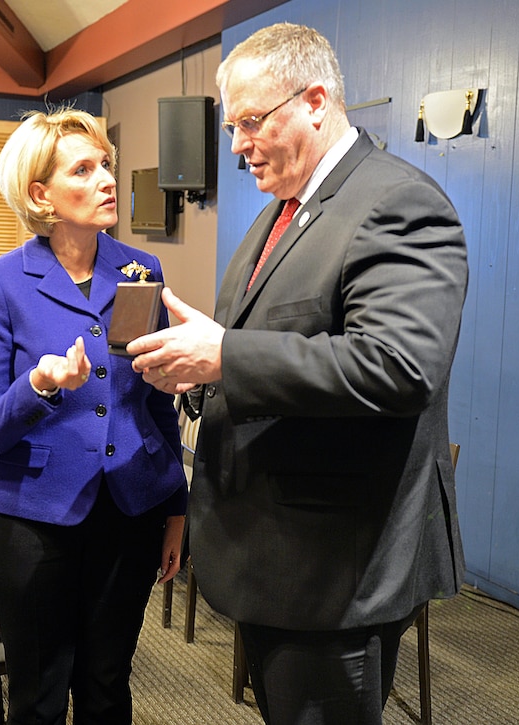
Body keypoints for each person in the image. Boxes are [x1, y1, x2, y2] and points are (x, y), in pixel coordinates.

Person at [126, 22, 468, 725]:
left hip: (335, 569)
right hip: (274, 555)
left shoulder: (397, 202)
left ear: (315, 100)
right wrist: (199, 372)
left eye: (250, 122)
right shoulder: (282, 211)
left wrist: (225, 355)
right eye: (231, 129)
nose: (237, 146)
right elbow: (269, 349)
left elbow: (399, 366)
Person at [0, 107, 187, 725]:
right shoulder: (0, 283)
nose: (107, 179)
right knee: (39, 695)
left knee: (109, 687)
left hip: (130, 509)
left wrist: (176, 506)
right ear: (41, 194)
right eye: (83, 169)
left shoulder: (141, 271)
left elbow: (157, 396)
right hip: (30, 519)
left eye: (105, 164)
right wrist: (40, 386)